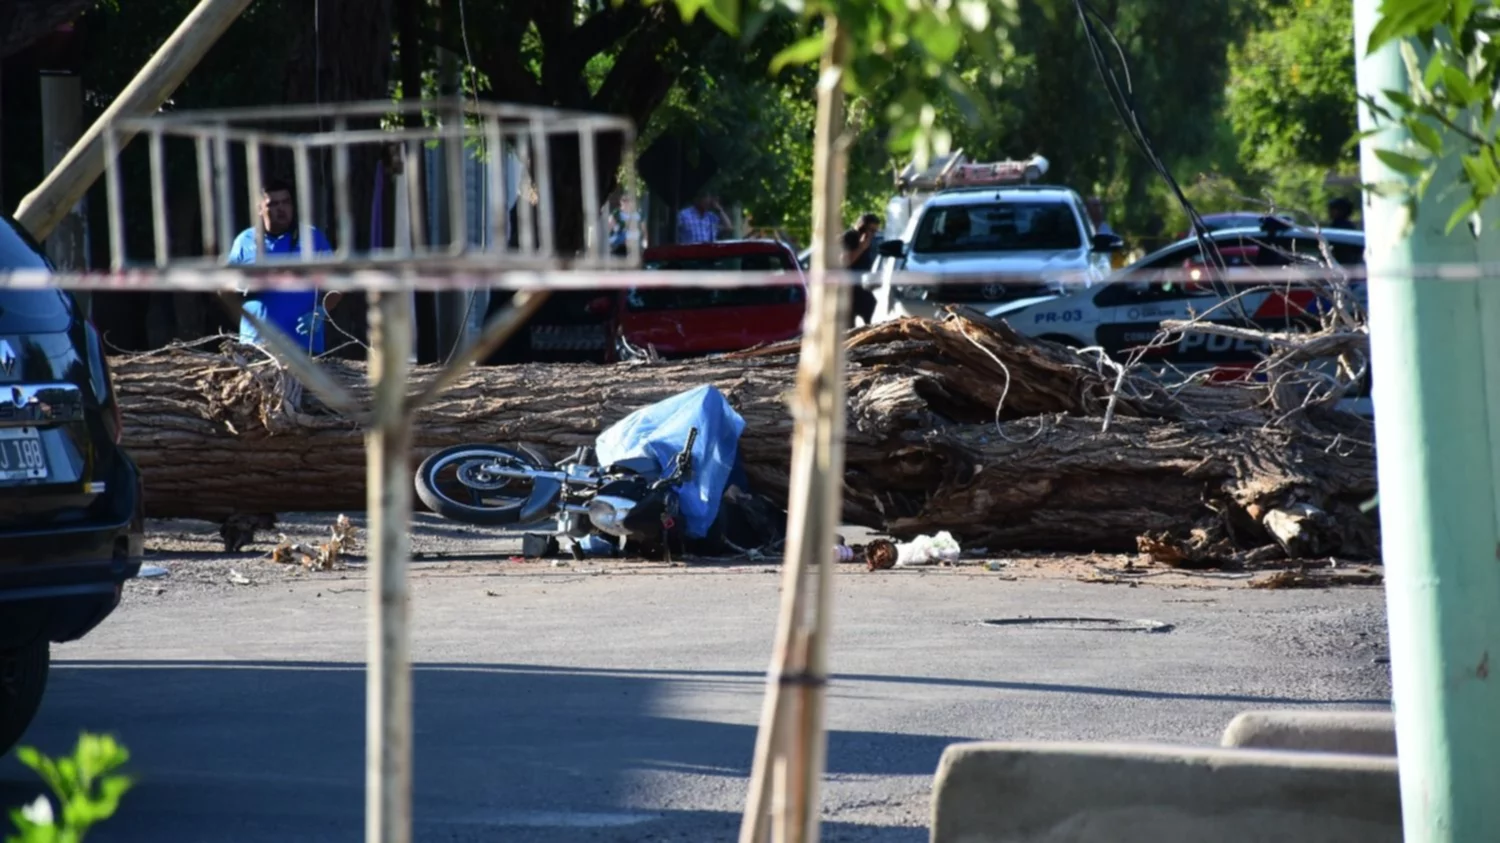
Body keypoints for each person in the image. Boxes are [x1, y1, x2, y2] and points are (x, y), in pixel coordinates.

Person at [227, 177, 341, 354]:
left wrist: (320, 312)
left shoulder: (312, 238)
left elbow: (339, 283)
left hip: (304, 347)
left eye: (286, 202)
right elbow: (224, 286)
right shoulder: (244, 241)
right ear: (259, 208)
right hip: (255, 346)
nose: (281, 209)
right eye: (273, 204)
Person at [842, 213, 882, 327]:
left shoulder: (867, 240)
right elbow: (844, 261)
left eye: (875, 231)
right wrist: (861, 247)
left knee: (871, 306)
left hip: (861, 286)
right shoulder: (849, 237)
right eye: (871, 230)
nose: (873, 234)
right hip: (849, 289)